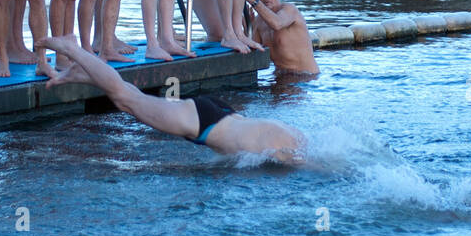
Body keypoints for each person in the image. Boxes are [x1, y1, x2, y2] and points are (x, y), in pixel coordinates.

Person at [41, 35, 306, 161]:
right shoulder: (289, 154)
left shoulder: (293, 136)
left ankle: (83, 73)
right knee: (125, 99)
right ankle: (71, 49)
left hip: (220, 113)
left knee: (131, 96)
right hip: (204, 124)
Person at [245, 0, 318, 76]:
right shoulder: (258, 21)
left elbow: (277, 24)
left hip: (305, 77)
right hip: (279, 78)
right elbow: (252, 53)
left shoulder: (290, 10)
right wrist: (246, 24)